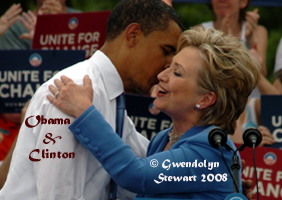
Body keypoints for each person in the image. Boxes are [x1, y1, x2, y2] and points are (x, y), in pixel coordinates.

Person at [47, 28, 260, 199]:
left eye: (177, 72)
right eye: (168, 67)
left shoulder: (212, 149)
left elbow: (135, 175)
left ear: (205, 99)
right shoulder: (162, 139)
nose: (161, 75)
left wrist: (85, 113)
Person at [0, 0, 183, 199]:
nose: (168, 65)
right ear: (133, 35)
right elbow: (58, 195)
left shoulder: (109, 94)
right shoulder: (70, 90)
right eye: (166, 51)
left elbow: (142, 166)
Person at [195, 0, 267, 77]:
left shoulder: (257, 31)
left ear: (243, 2)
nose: (221, 0)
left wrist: (251, 42)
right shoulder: (199, 31)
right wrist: (222, 42)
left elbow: (262, 74)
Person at [0, 0, 79, 49]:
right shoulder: (15, 26)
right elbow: (13, 68)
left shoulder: (83, 19)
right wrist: (39, 42)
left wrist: (60, 24)